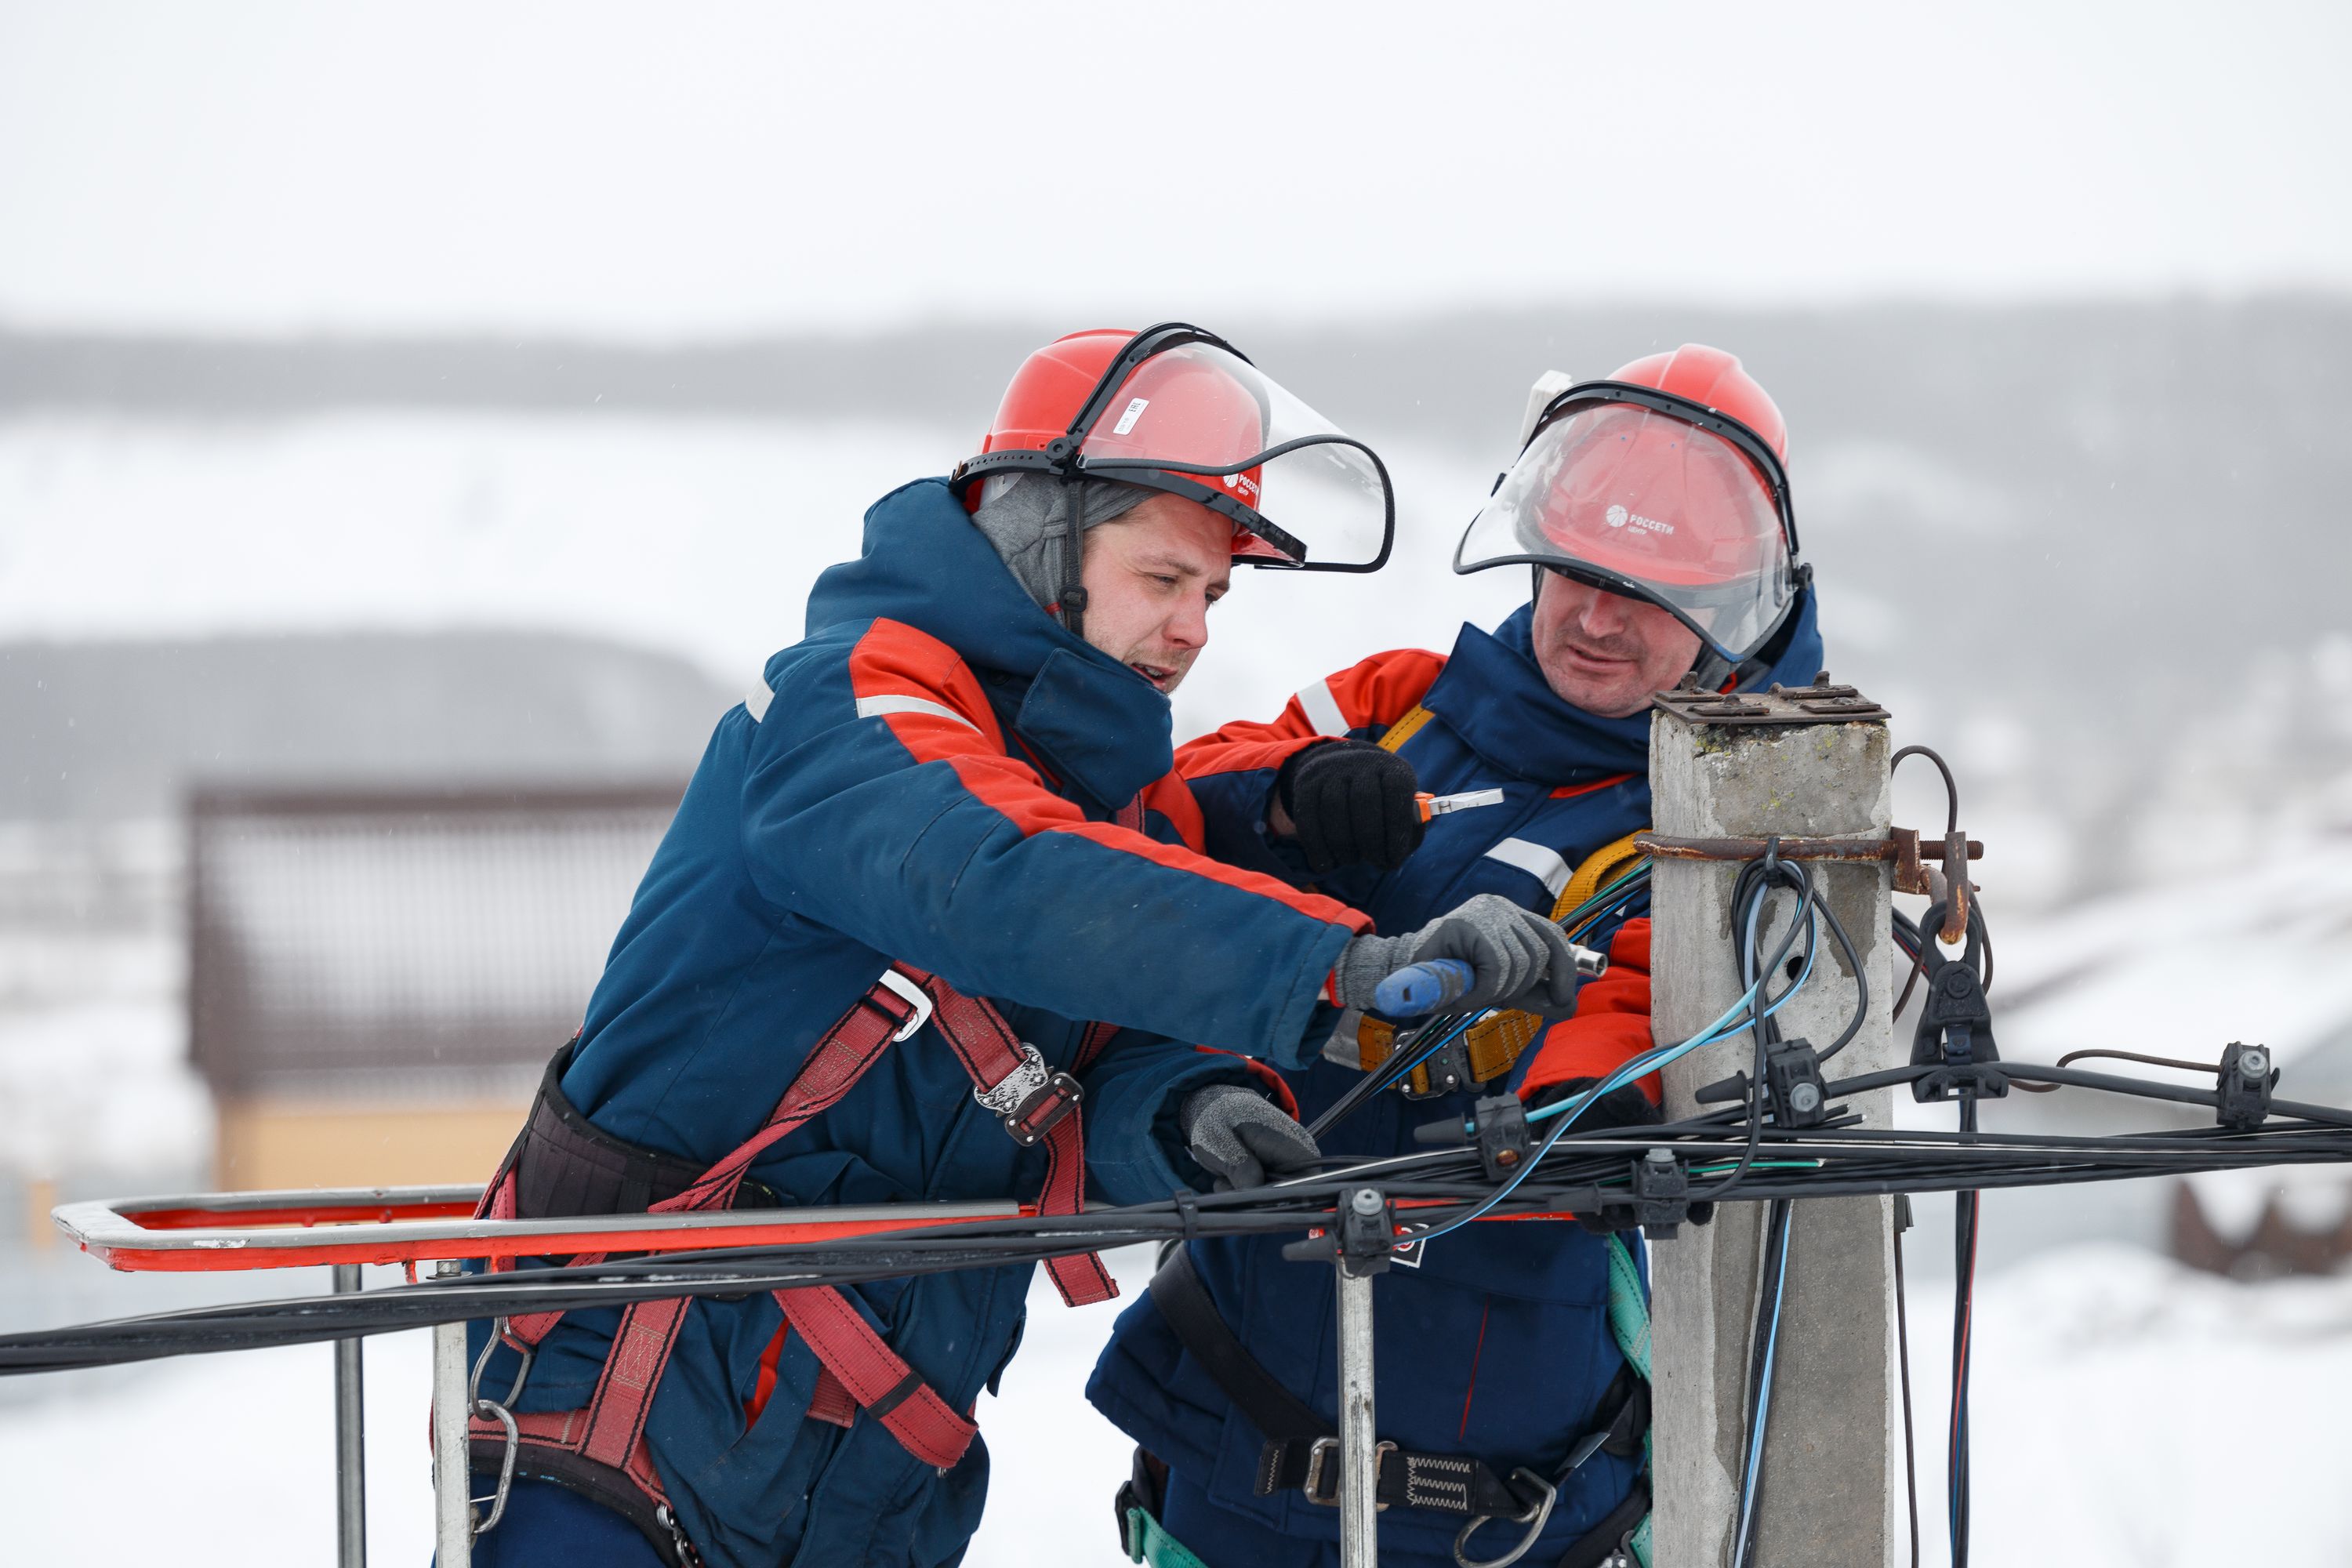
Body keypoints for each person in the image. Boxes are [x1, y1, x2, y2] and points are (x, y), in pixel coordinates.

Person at [456, 324, 1590, 1568]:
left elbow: (1076, 1063)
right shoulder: (845, 710)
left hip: (864, 1465)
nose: (1197, 629)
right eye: (1164, 581)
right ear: (1042, 541)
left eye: (1211, 595)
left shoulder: (1103, 802)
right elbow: (998, 878)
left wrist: (1185, 1115)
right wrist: (1336, 969)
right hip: (626, 1418)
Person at [1088, 345, 1829, 1568]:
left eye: (1646, 593)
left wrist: (1573, 1107)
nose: (1593, 616)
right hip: (1227, 1445)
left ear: (1728, 611)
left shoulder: (1728, 819)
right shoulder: (1400, 702)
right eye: (1576, 571)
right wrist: (1284, 791)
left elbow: (1659, 1008)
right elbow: (1156, 806)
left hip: (1512, 1495)